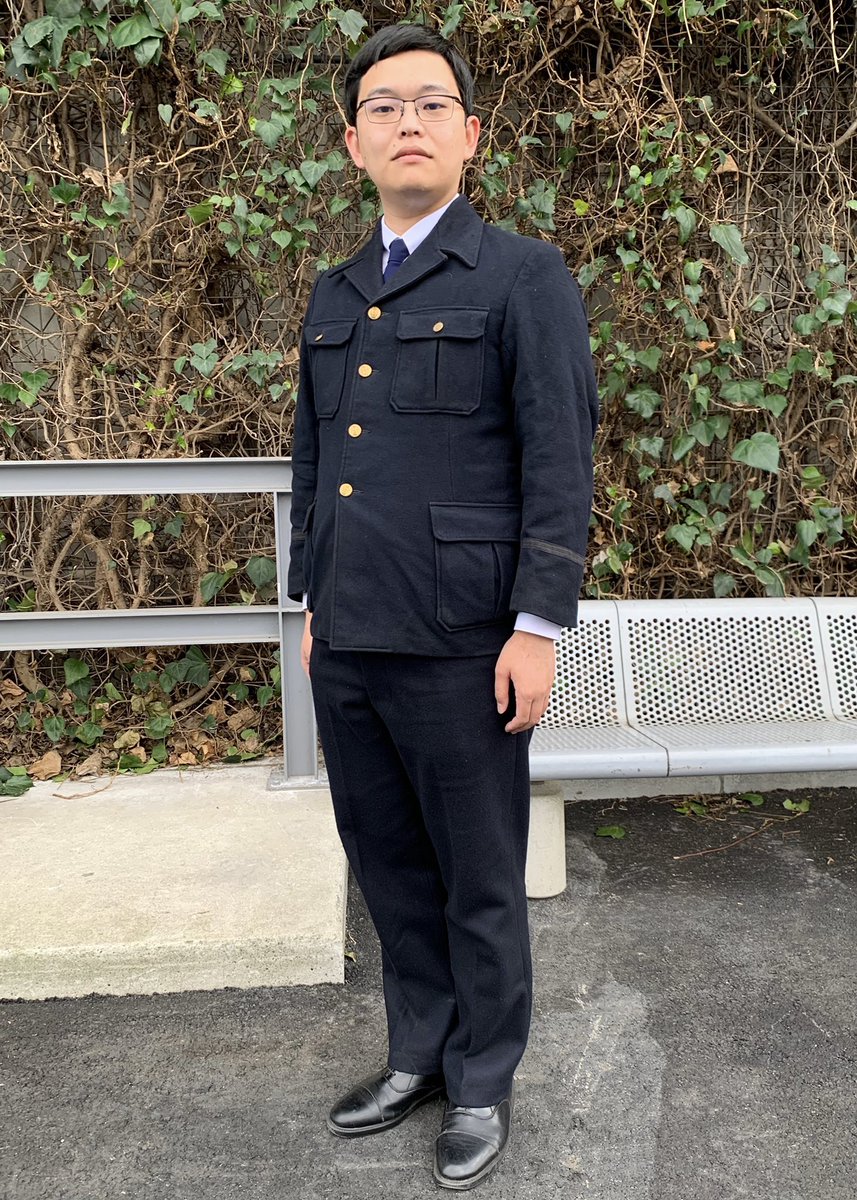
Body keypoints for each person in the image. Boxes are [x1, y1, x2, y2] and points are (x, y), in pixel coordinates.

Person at [288, 22, 598, 1191]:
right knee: (387, 868)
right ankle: (417, 1052)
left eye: (428, 103)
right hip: (349, 635)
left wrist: (537, 626)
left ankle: (480, 1078)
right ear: (353, 142)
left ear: (469, 135)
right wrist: (311, 603)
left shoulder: (521, 277)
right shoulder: (335, 293)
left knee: (476, 875)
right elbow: (317, 458)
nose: (405, 121)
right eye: (382, 106)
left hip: (466, 641)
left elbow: (558, 459)